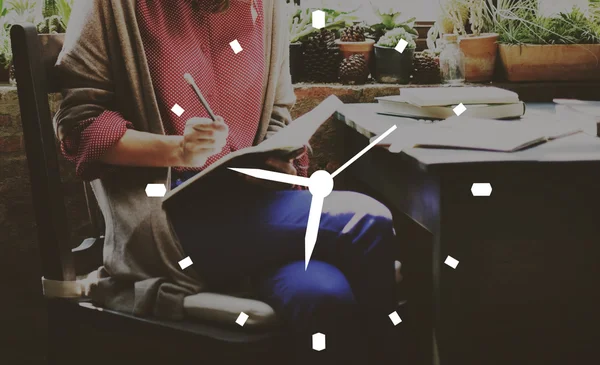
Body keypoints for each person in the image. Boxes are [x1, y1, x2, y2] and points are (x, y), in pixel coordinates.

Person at [55, 0, 402, 363]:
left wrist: (276, 160)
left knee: (324, 295)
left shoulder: (265, 7)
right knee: (363, 220)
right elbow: (80, 126)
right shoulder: (114, 7)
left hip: (258, 216)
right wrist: (178, 150)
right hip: (169, 223)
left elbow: (277, 113)